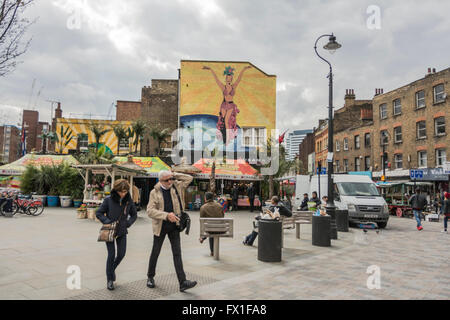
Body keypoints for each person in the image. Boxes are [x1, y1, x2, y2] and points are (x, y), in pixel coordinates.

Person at [146, 170, 197, 292]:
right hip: (161, 226)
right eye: (166, 180)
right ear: (160, 181)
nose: (169, 182)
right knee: (156, 252)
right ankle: (150, 277)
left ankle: (182, 282)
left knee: (177, 253)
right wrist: (166, 215)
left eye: (171, 179)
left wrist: (174, 175)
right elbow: (150, 211)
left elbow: (189, 178)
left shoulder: (176, 186)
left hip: (175, 225)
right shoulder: (154, 192)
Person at [96, 179, 137, 291]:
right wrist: (107, 221)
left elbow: (134, 215)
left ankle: (111, 270)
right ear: (116, 190)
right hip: (109, 230)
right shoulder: (108, 200)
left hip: (122, 231)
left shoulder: (129, 201)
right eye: (121, 191)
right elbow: (99, 213)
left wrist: (128, 223)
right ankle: (109, 280)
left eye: (125, 191)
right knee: (111, 254)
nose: (123, 193)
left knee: (121, 254)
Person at [203, 65, 251, 145]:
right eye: (227, 79)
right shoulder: (223, 87)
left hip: (231, 105)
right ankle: (223, 138)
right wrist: (211, 69)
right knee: (222, 123)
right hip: (224, 105)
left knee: (226, 121)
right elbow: (216, 79)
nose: (229, 80)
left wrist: (244, 69)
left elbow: (239, 79)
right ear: (226, 79)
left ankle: (228, 140)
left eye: (230, 79)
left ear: (231, 79)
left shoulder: (233, 87)